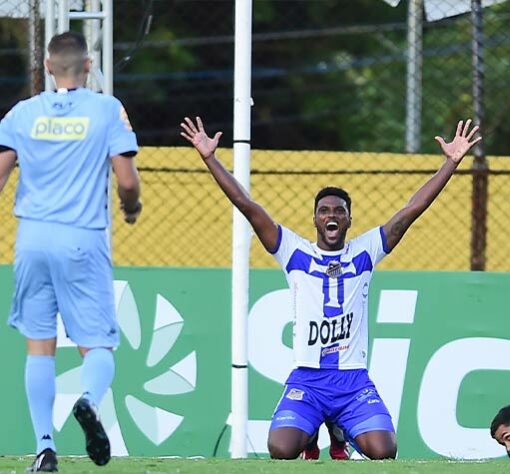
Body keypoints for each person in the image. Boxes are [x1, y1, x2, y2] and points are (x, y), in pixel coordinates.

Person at [180, 116, 480, 460]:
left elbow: (412, 209)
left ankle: (339, 433)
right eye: (324, 210)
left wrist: (450, 163)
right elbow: (247, 206)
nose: (331, 215)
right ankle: (312, 437)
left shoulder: (366, 251)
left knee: (384, 451)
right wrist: (209, 158)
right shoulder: (292, 251)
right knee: (280, 448)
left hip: (352, 382)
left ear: (349, 219)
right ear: (315, 219)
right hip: (308, 380)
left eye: (339, 210)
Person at [0, 32, 142, 472]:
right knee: (97, 343)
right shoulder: (107, 110)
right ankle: (87, 401)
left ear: (45, 65)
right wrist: (131, 207)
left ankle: (44, 448)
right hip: (82, 236)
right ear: (89, 64)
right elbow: (127, 179)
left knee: (38, 346)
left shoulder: (21, 114)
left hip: (32, 239)